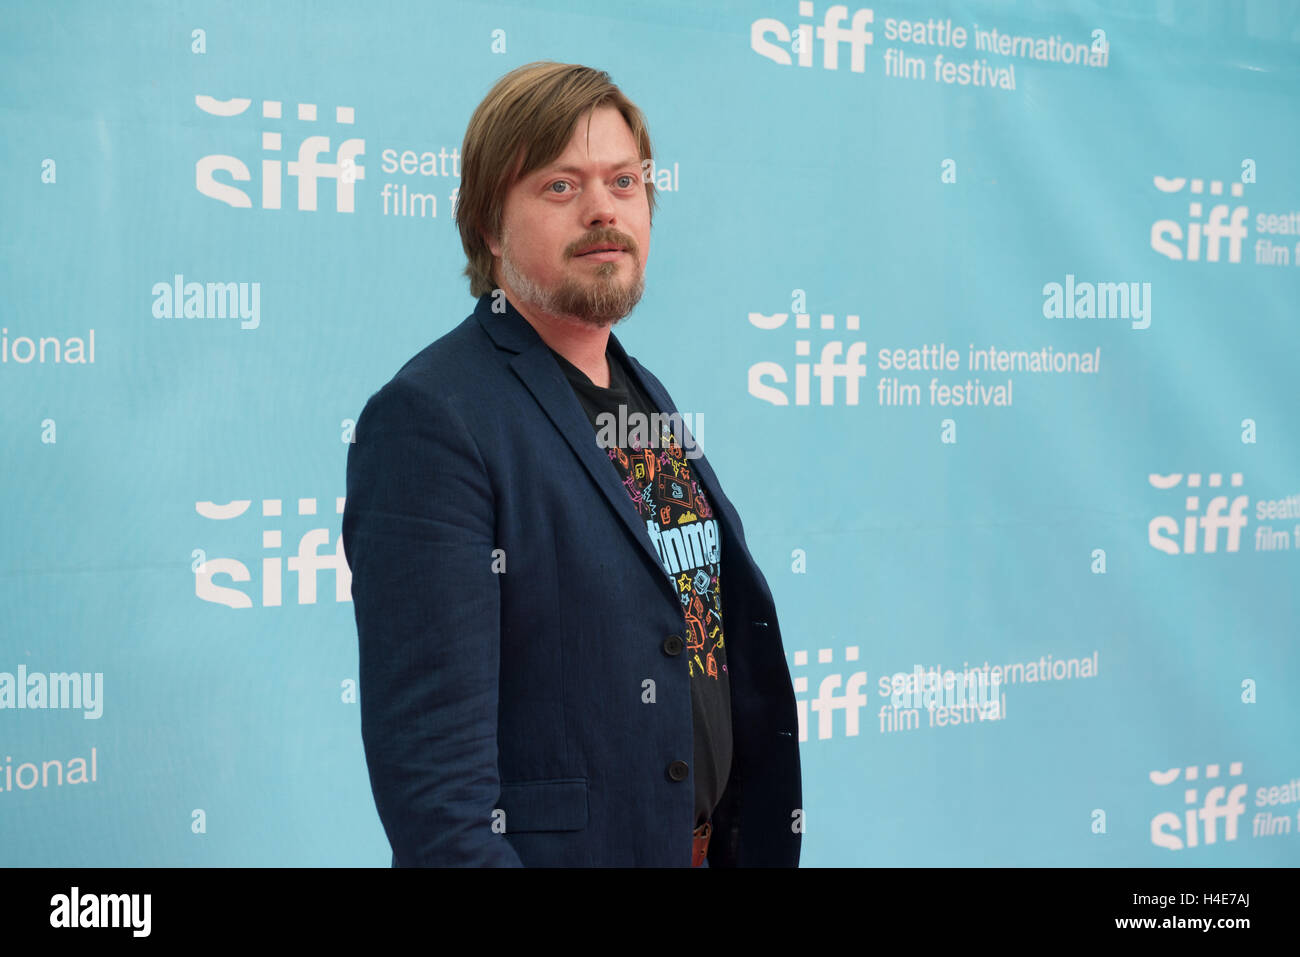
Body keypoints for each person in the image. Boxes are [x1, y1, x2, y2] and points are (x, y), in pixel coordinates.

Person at [342, 61, 801, 867]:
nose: (603, 210)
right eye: (561, 186)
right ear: (489, 225)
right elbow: (436, 797)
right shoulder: (431, 419)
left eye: (624, 182)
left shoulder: (638, 390)